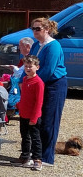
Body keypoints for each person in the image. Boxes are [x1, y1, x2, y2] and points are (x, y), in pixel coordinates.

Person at [28, 16, 67, 167]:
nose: (35, 31)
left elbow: (48, 70)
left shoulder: (53, 46)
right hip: (39, 83)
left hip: (54, 85)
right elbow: (30, 64)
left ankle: (47, 157)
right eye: (33, 28)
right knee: (37, 118)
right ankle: (36, 152)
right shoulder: (35, 45)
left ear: (47, 30)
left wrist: (33, 83)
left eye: (38, 29)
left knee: (50, 120)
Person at [16, 55, 45, 171]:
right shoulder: (25, 80)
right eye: (26, 66)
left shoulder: (38, 82)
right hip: (24, 114)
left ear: (37, 67)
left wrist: (35, 117)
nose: (28, 68)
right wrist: (19, 106)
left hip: (33, 115)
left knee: (35, 138)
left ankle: (37, 159)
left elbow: (39, 102)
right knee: (24, 137)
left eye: (30, 66)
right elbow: (24, 97)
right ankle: (25, 156)